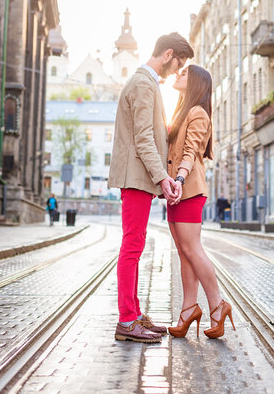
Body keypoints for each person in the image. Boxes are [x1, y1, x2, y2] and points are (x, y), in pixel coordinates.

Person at [109, 32, 194, 343]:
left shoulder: (144, 83)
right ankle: (127, 319)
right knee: (132, 246)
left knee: (136, 243)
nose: (176, 70)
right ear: (167, 53)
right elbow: (144, 139)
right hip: (136, 178)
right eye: (178, 63)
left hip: (138, 177)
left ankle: (133, 312)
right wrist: (163, 178)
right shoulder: (145, 84)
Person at [167, 64, 235, 340]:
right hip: (175, 189)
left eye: (183, 73)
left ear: (194, 82)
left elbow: (191, 150)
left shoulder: (198, 112)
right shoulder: (181, 110)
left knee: (193, 250)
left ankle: (218, 306)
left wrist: (180, 180)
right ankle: (189, 309)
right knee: (184, 252)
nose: (177, 74)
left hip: (188, 189)